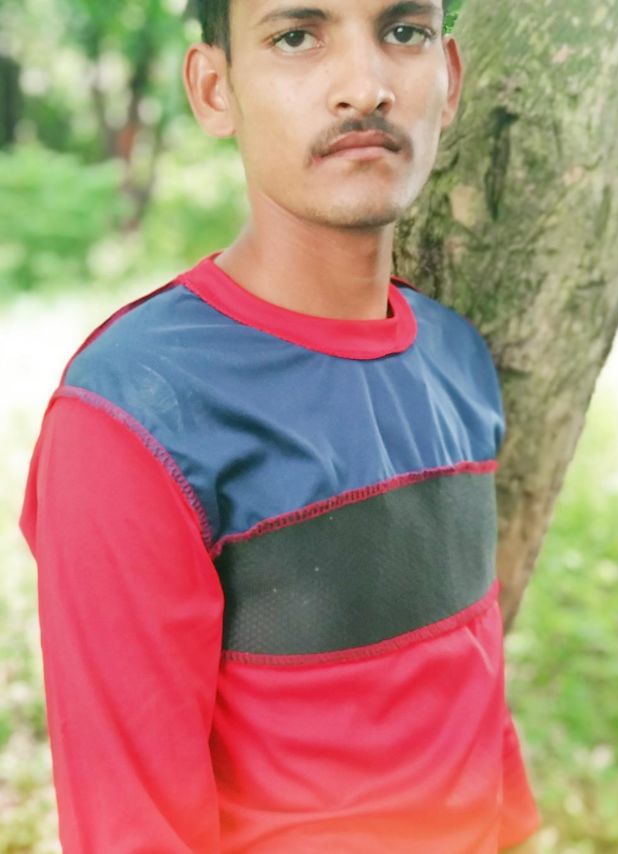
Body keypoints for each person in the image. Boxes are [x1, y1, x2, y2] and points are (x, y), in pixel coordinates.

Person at [19, 0, 542, 851]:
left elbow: (472, 688)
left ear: (448, 80)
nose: (364, 87)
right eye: (297, 37)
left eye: (403, 32)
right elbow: (132, 830)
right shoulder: (135, 416)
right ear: (214, 89)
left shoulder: (458, 359)